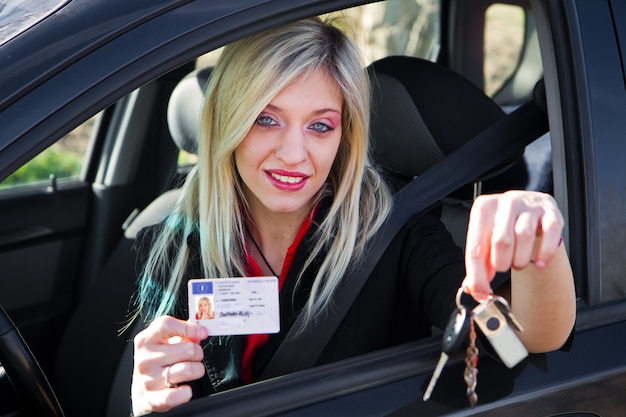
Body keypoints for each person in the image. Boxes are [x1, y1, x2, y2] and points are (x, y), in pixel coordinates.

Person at [130, 17, 576, 416]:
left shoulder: (392, 228)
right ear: (227, 120)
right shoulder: (176, 236)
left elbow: (521, 338)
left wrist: (541, 244)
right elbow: (170, 387)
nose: (293, 154)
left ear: (344, 135)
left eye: (320, 125)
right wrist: (147, 401)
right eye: (265, 119)